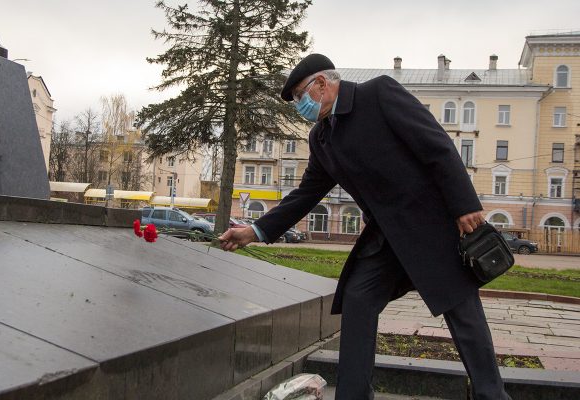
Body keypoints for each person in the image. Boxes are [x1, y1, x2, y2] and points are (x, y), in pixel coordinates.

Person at [219, 54, 511, 400]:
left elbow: (436, 144)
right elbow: (307, 192)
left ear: (322, 84)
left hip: (431, 227)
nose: (300, 106)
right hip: (385, 238)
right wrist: (255, 231)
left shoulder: (378, 95)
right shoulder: (321, 137)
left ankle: (492, 395)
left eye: (300, 96)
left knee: (462, 313)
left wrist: (464, 205)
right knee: (358, 298)